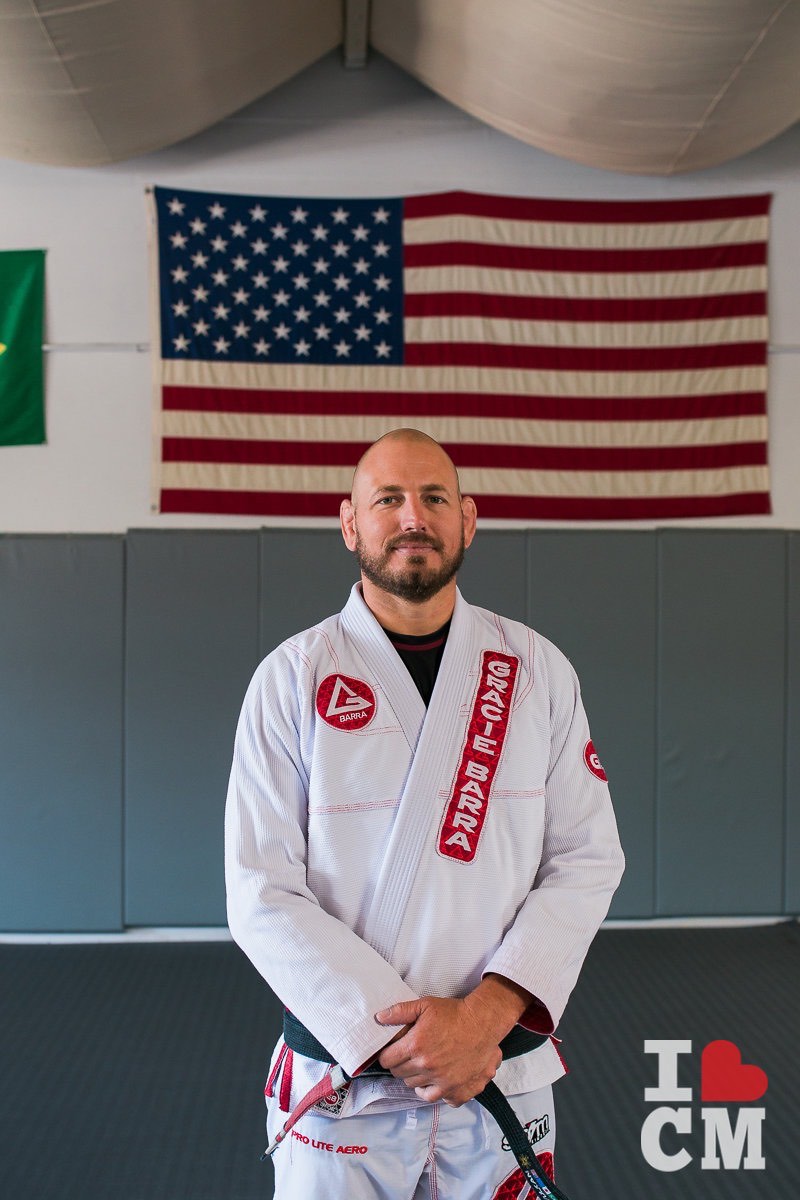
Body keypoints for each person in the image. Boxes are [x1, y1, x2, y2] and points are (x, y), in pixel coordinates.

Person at [224, 428, 624, 1200]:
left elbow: (586, 856)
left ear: (468, 519)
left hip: (495, 1063)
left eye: (435, 498)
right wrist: (401, 1037)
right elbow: (260, 890)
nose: (414, 516)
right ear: (351, 524)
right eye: (389, 499)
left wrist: (483, 1020)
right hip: (347, 1076)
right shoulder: (291, 678)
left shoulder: (535, 669)